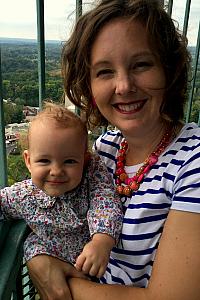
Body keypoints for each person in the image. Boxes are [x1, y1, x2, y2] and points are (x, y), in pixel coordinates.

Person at [27, 0, 200, 299]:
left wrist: (59, 280)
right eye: (105, 72)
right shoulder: (104, 150)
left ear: (168, 71)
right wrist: (36, 254)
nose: (123, 85)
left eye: (141, 65)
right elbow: (47, 208)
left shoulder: (192, 161)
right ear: (89, 85)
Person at [0, 102, 123, 279]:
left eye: (69, 161)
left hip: (94, 272)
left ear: (84, 160)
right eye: (44, 160)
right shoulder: (24, 195)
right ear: (28, 160)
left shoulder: (90, 181)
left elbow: (105, 204)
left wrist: (101, 241)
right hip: (55, 274)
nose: (56, 171)